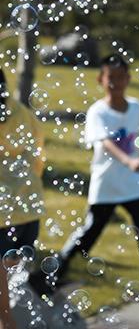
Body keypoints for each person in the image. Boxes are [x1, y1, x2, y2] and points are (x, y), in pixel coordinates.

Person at [41, 55, 139, 301]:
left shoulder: (137, 107)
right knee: (90, 231)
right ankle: (57, 270)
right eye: (111, 78)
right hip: (106, 184)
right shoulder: (98, 112)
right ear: (101, 79)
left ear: (128, 79)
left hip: (134, 185)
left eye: (120, 78)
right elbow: (106, 143)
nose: (115, 83)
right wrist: (129, 160)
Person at [1, 69, 44, 329]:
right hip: (28, 208)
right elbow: (38, 154)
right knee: (9, 271)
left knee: (2, 275)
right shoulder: (23, 113)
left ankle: (8, 323)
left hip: (4, 214)